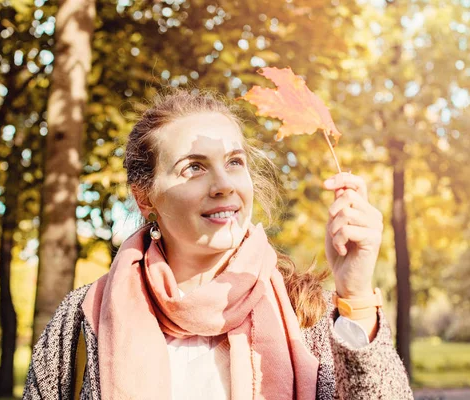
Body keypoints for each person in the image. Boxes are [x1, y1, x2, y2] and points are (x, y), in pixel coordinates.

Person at [23, 90, 413, 400]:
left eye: (234, 162)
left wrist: (357, 293)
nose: (224, 184)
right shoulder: (83, 316)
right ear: (145, 197)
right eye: (193, 167)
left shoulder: (310, 315)